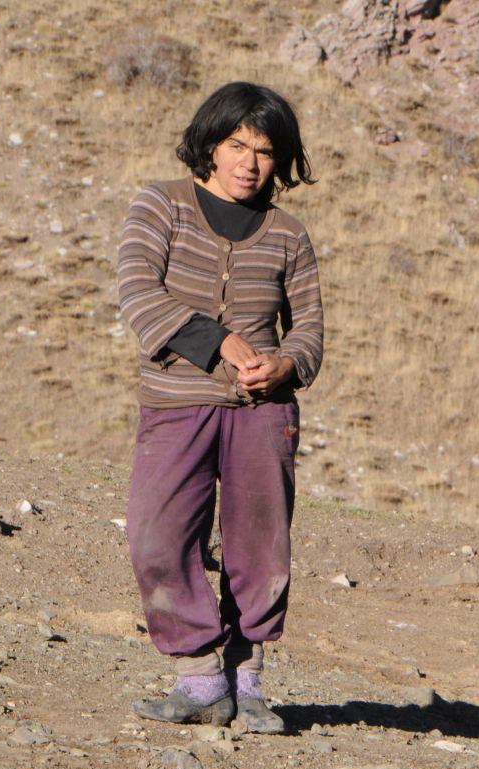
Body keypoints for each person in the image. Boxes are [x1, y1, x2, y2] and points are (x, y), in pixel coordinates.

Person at [117, 81, 322, 732]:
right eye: (236, 144)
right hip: (177, 402)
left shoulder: (289, 235)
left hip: (264, 412)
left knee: (259, 547)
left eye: (264, 150)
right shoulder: (161, 205)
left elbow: (310, 329)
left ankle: (247, 681)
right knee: (157, 535)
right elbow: (137, 293)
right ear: (209, 143)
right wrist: (222, 341)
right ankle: (199, 677)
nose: (248, 162)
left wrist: (287, 363)